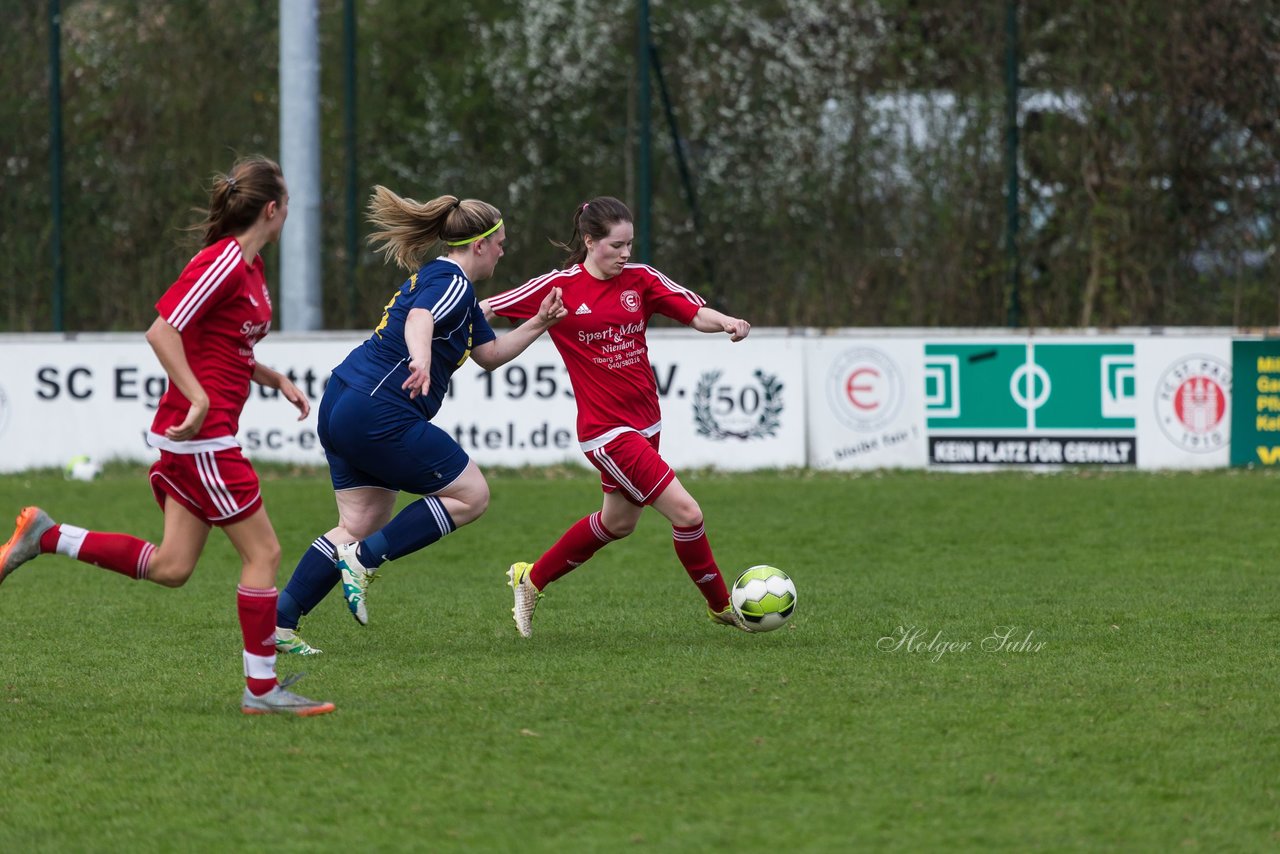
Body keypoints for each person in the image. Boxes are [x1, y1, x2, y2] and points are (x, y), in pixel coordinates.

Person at [0, 155, 335, 715]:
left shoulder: (249, 269)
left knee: (173, 567)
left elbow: (227, 343)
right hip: (203, 437)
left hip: (197, 438)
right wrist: (200, 397)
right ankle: (262, 692)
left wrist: (271, 376)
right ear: (272, 210)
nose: (288, 217)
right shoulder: (224, 261)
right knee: (266, 553)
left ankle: (48, 535)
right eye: (288, 207)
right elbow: (162, 331)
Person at [272, 186, 565, 654]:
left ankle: (280, 623)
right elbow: (420, 320)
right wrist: (422, 360)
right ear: (479, 245)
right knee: (471, 495)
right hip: (377, 406)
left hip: (344, 399)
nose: (503, 252)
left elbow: (489, 355)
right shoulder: (450, 282)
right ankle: (363, 562)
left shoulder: (459, 293)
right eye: (501, 243)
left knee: (360, 520)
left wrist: (539, 323)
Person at [482, 196, 752, 637]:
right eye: (617, 245)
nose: (626, 254)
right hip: (606, 433)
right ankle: (722, 605)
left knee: (618, 523)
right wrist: (430, 326)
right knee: (687, 513)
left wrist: (725, 322)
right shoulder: (559, 287)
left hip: (647, 425)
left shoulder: (641, 280)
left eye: (630, 244)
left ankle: (531, 579)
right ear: (590, 241)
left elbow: (692, 311)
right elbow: (488, 308)